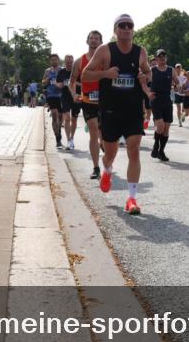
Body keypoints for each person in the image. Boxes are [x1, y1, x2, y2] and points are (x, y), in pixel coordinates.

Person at [81, 14, 153, 215]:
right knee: (110, 153)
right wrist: (105, 74)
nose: (127, 28)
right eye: (122, 25)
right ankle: (107, 170)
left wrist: (143, 76)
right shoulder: (105, 50)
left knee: (134, 149)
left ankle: (131, 199)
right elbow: (85, 74)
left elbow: (149, 73)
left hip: (132, 110)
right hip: (110, 110)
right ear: (115, 29)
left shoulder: (141, 52)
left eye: (130, 25)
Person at [70, 30, 104, 179]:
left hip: (106, 101)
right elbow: (71, 83)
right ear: (87, 41)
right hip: (88, 101)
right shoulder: (79, 61)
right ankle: (96, 167)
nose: (94, 40)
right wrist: (74, 94)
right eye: (91, 38)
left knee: (105, 136)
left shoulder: (106, 60)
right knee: (94, 131)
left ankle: (103, 144)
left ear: (101, 42)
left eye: (97, 38)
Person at [149, 50, 179, 162]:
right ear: (156, 58)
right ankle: (156, 144)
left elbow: (176, 82)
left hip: (167, 100)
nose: (162, 58)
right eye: (159, 56)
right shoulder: (152, 70)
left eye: (164, 56)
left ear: (166, 58)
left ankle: (161, 151)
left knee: (166, 129)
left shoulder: (171, 70)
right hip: (156, 99)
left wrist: (177, 86)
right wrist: (148, 92)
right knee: (160, 126)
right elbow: (143, 82)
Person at [42, 54, 65, 148]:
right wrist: (47, 79)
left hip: (61, 95)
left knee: (60, 117)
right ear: (50, 61)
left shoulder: (62, 70)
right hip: (51, 95)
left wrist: (61, 84)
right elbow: (43, 82)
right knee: (54, 116)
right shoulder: (47, 71)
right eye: (52, 60)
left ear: (58, 60)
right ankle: (57, 139)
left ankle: (59, 132)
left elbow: (67, 81)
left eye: (55, 60)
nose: (54, 61)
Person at [59, 55, 78, 149]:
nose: (69, 64)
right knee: (67, 118)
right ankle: (68, 140)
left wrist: (73, 83)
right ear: (64, 62)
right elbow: (57, 83)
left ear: (73, 62)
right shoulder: (61, 72)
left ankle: (72, 138)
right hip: (65, 97)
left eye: (71, 62)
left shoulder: (77, 71)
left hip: (75, 97)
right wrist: (62, 84)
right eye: (67, 62)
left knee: (74, 119)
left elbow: (82, 83)